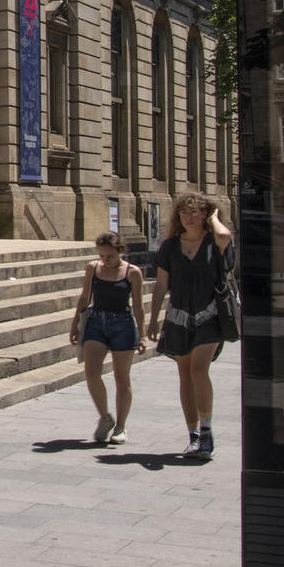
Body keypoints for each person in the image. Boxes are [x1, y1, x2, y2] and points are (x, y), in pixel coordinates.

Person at [147, 193, 235, 458]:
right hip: (178, 316)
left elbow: (225, 236)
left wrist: (215, 217)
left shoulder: (212, 242)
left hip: (210, 315)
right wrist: (152, 319)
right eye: (184, 212)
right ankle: (194, 435)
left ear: (205, 214)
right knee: (184, 375)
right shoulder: (170, 246)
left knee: (198, 370)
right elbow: (161, 285)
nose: (189, 216)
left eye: (195, 211)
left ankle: (207, 434)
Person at [69, 232, 146, 445]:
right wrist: (75, 323)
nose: (105, 261)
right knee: (92, 372)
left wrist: (142, 334)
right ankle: (104, 417)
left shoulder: (133, 273)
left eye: (109, 256)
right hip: (96, 321)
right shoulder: (93, 269)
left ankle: (121, 426)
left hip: (123, 323)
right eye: (102, 256)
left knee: (122, 378)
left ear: (120, 251)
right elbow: (85, 297)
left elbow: (138, 306)